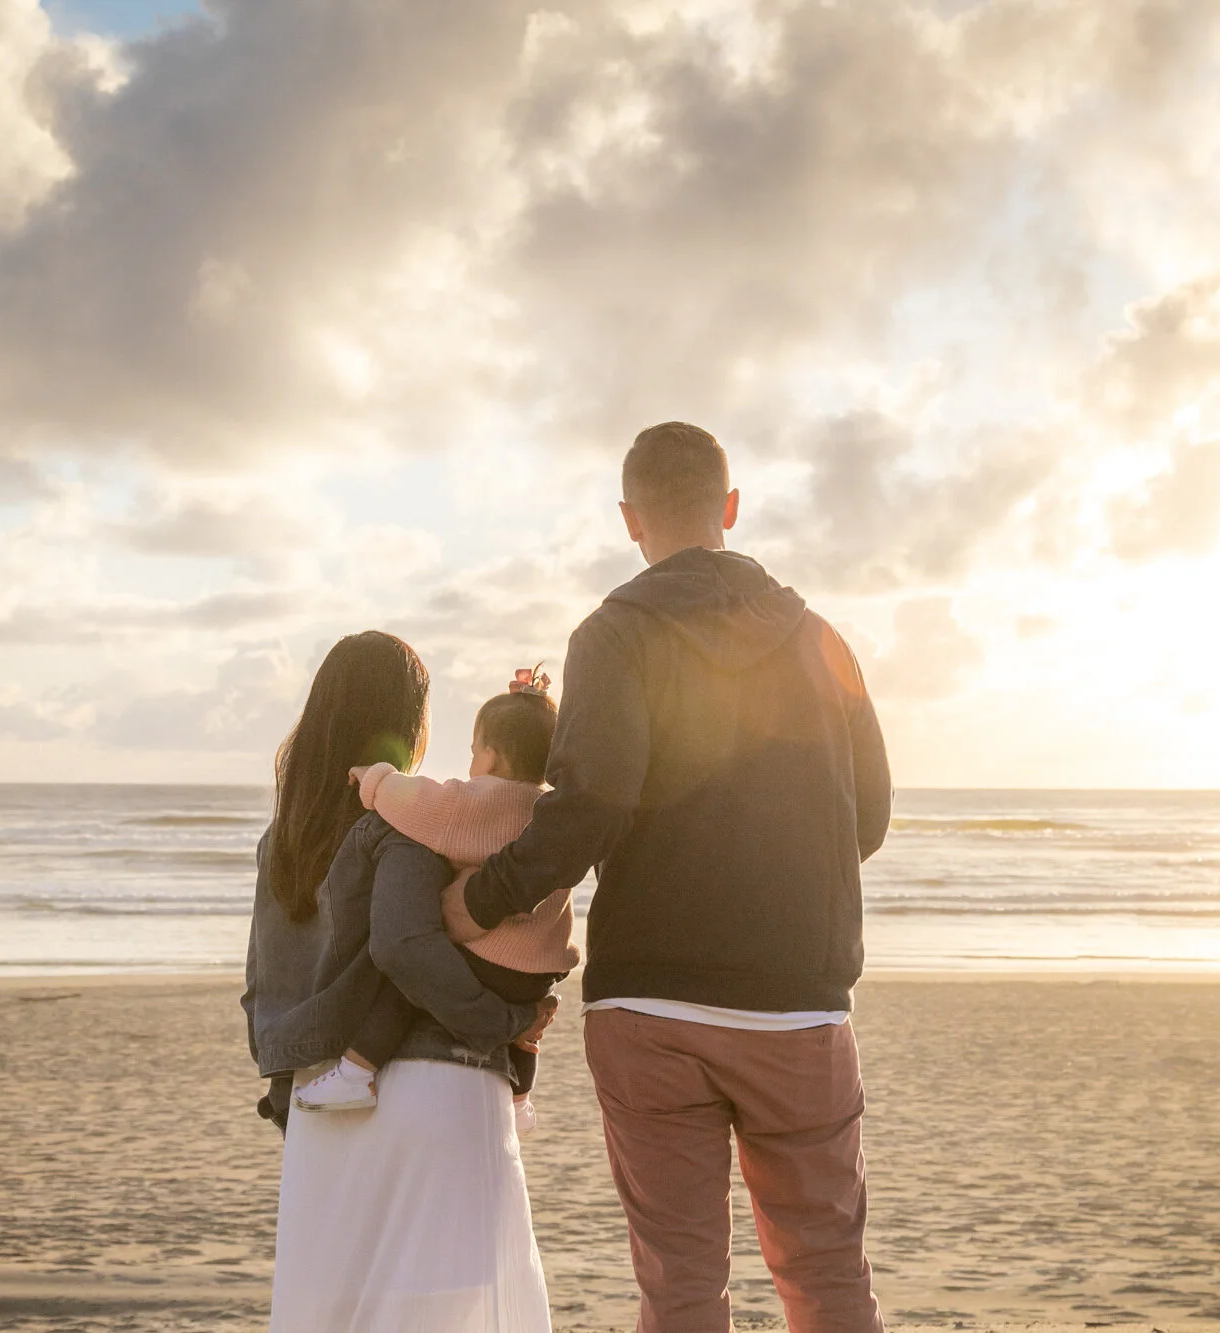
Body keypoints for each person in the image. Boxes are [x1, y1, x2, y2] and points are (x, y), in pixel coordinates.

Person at [460, 422, 895, 1333]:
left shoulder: (613, 634)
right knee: (825, 1271)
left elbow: (588, 806)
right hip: (799, 1005)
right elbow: (871, 816)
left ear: (630, 519)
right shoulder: (821, 639)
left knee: (682, 1281)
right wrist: (779, 884)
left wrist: (477, 899)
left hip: (651, 1007)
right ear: (729, 508)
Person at [241, 630, 556, 1333]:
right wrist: (508, 1022)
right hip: (434, 1085)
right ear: (409, 721)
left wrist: (290, 1089)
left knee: (331, 1316)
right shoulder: (407, 822)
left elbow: (262, 988)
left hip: (319, 1104)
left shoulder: (279, 841)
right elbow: (408, 948)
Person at [293, 667, 575, 1137]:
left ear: (491, 755)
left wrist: (376, 778)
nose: (469, 764)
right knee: (529, 1032)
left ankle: (356, 1073)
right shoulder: (549, 811)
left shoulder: (475, 802)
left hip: (488, 954)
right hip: (540, 967)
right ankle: (521, 1101)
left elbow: (418, 802)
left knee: (403, 985)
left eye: (472, 752)